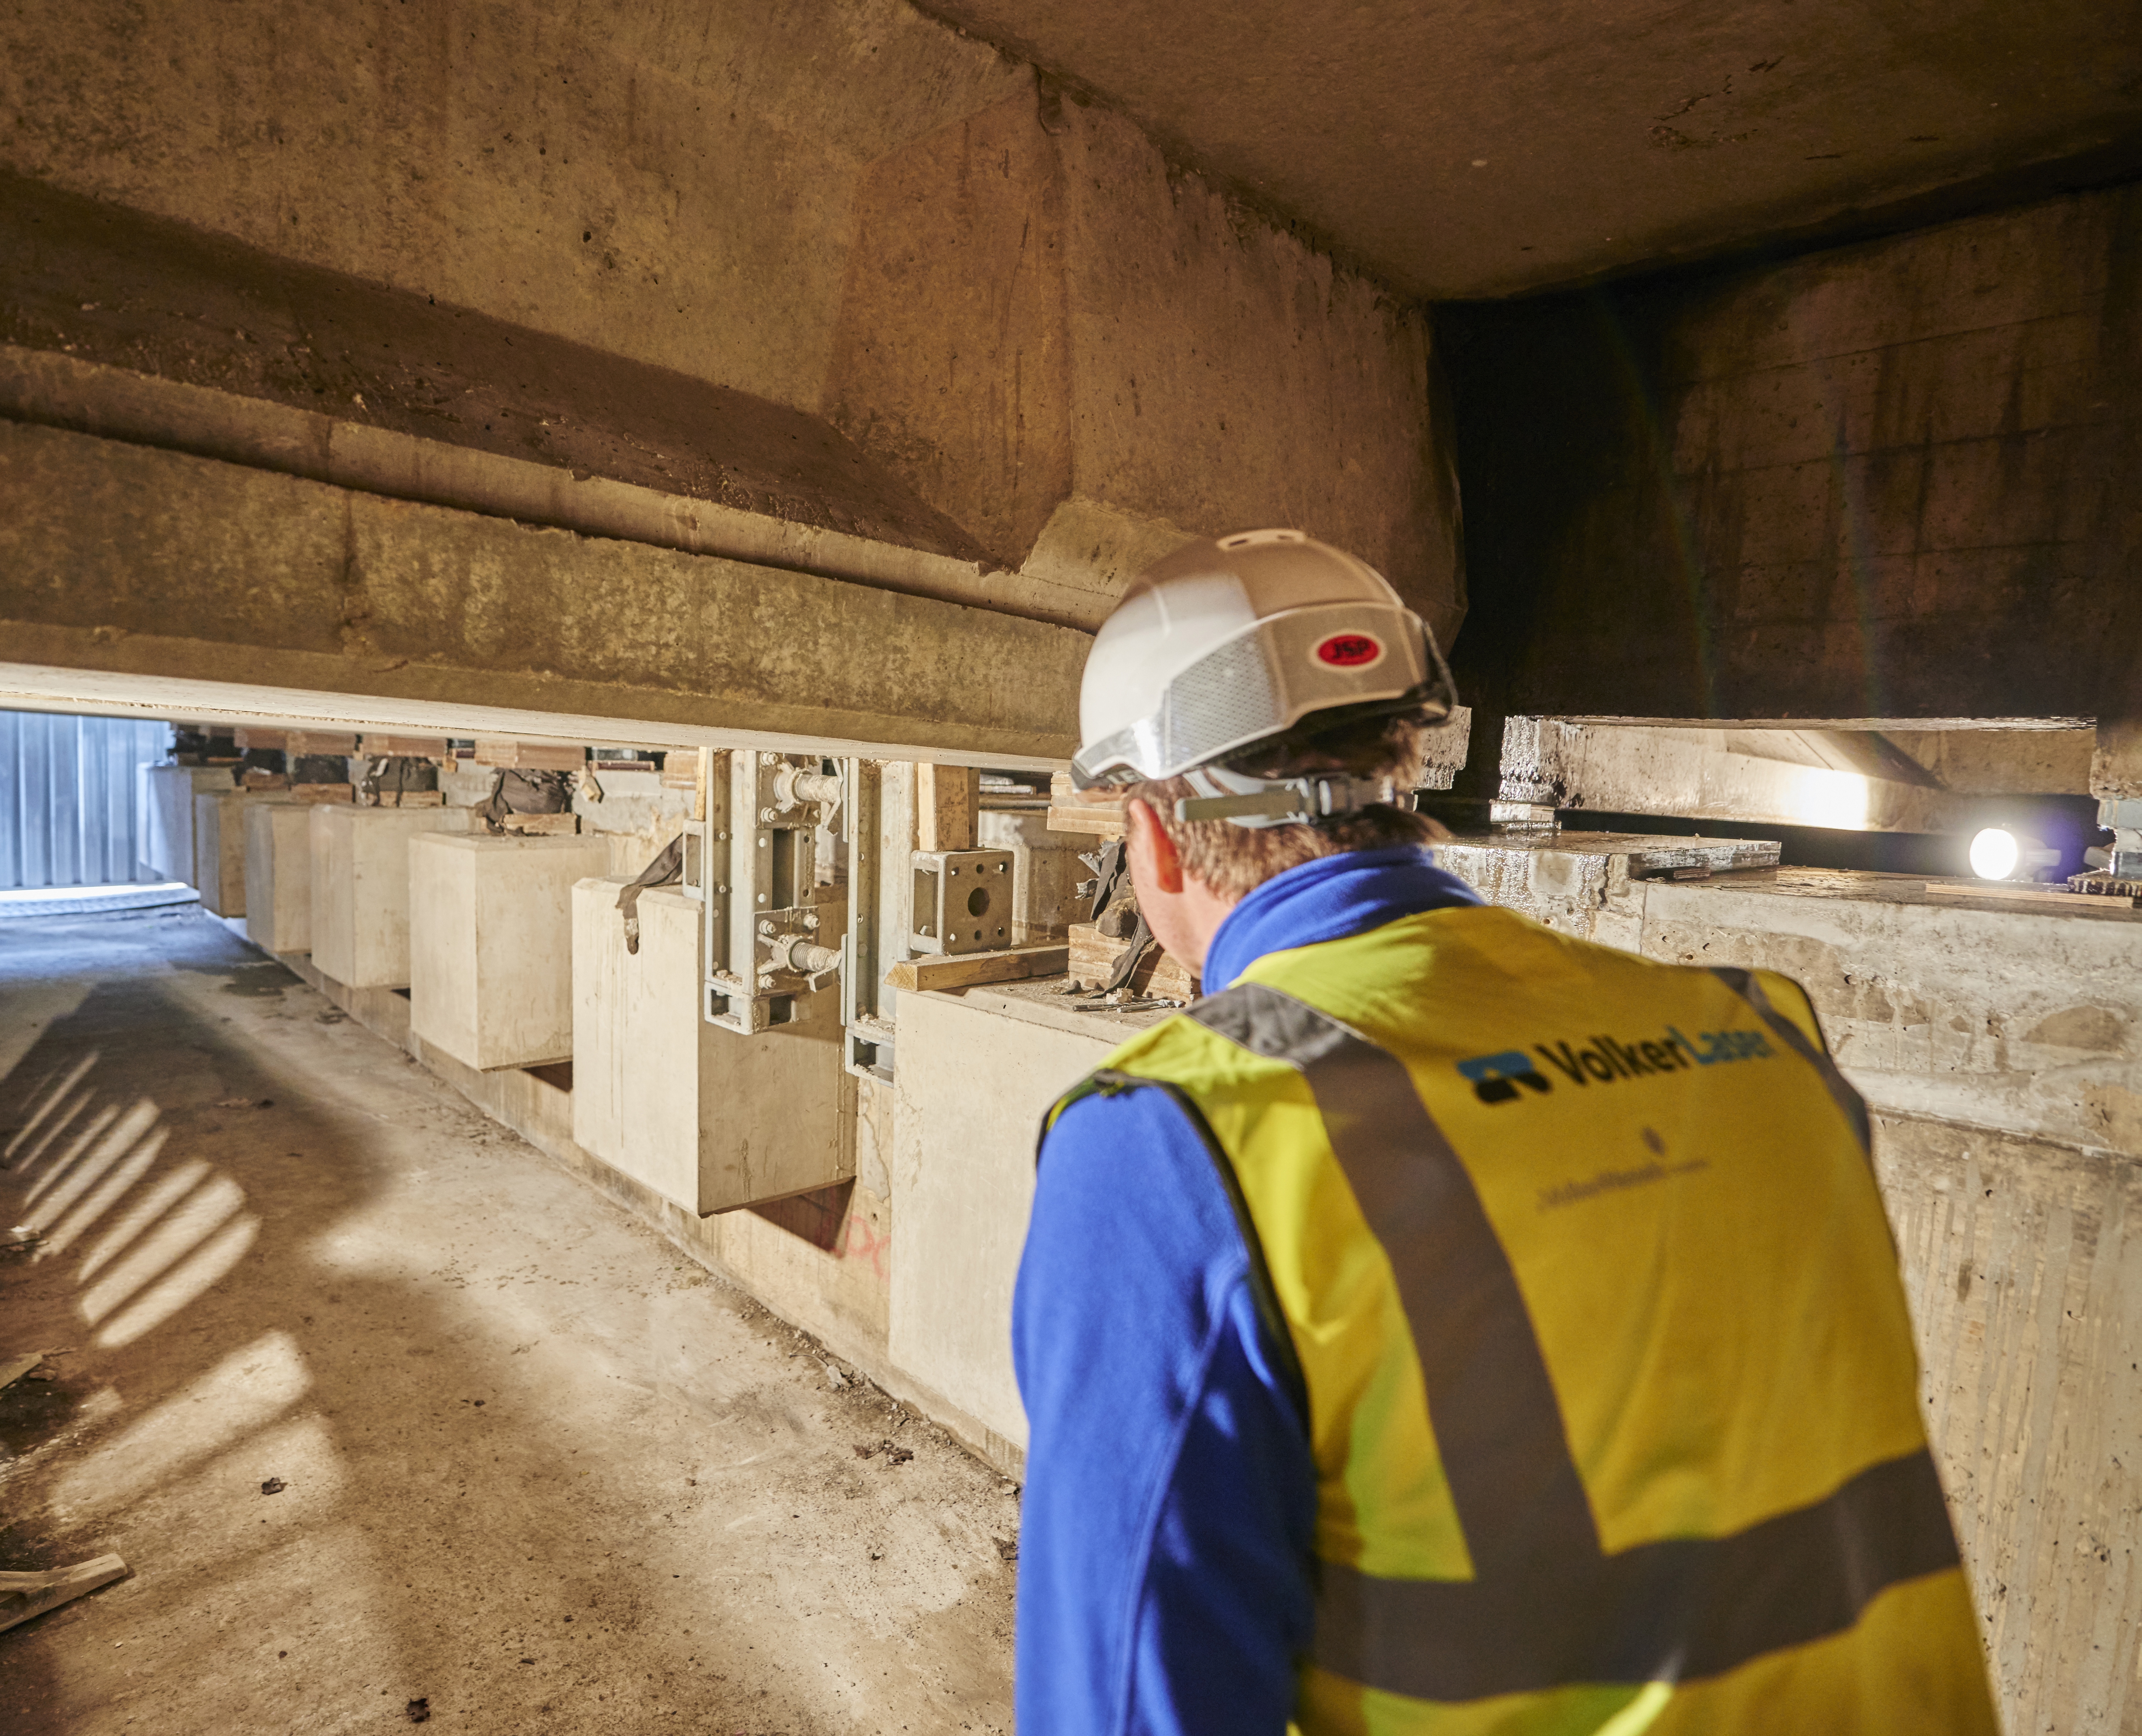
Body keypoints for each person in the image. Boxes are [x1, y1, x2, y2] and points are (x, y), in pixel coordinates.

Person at [1011, 529, 1997, 1735]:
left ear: (1153, 836)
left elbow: (1129, 1705)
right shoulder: (1761, 1039)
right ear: (1407, 768)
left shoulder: (1183, 1142)